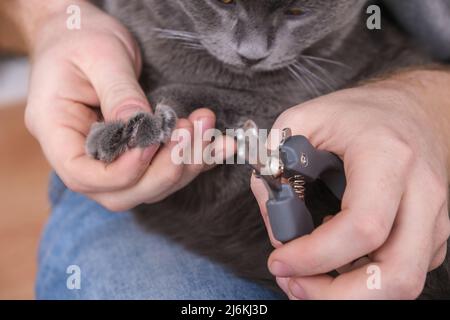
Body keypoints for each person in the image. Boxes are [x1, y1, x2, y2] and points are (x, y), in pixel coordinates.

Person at [3, 0, 449, 299]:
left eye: (294, 9)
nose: (251, 48)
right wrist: (52, 19)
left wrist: (429, 107)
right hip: (139, 200)